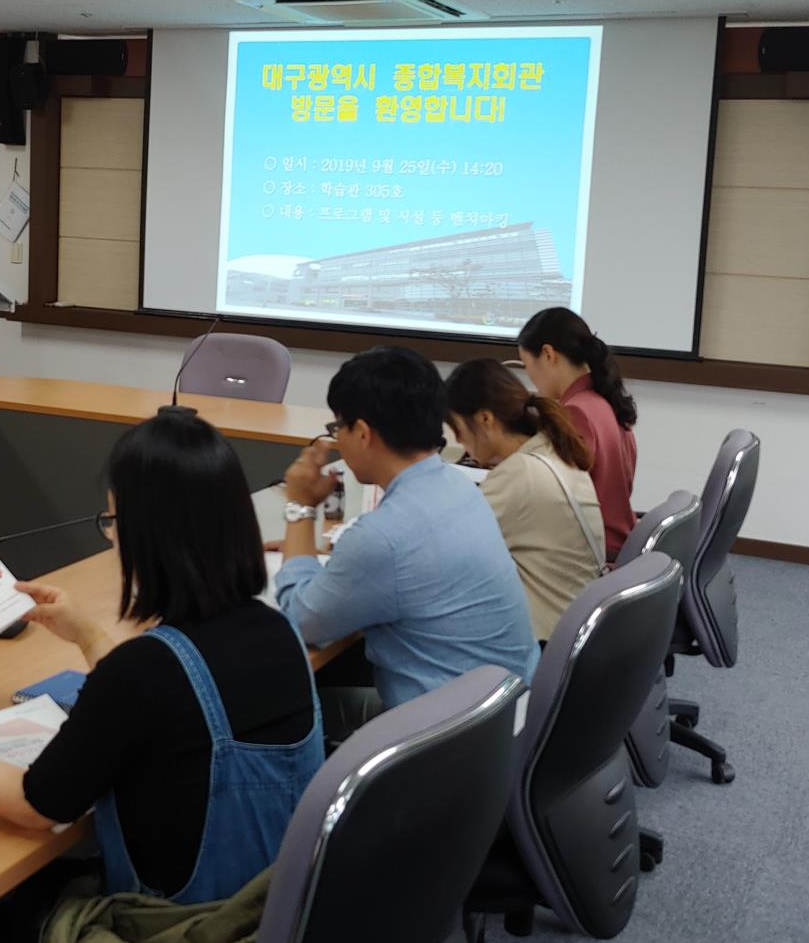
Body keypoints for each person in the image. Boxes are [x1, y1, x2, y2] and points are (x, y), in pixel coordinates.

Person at [0, 410, 323, 912]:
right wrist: (87, 636)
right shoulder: (279, 630)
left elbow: (34, 805)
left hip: (176, 936)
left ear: (147, 535)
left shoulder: (144, 670)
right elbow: (171, 700)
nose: (112, 537)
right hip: (271, 910)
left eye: (112, 521)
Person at [274, 346, 539, 738]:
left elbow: (301, 621)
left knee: (281, 716)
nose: (337, 442)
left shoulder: (384, 537)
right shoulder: (457, 486)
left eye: (338, 428)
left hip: (449, 740)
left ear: (363, 433)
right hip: (504, 715)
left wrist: (300, 507)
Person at [445, 358, 606, 642]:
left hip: (545, 644)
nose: (459, 440)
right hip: (575, 634)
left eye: (458, 428)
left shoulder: (520, 474)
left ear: (485, 419)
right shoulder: (551, 450)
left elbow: (443, 550)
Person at [517, 308, 639, 561]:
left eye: (527, 366)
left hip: (592, 550)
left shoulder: (576, 412)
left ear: (549, 354)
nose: (530, 378)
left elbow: (555, 499)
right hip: (616, 541)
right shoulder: (605, 399)